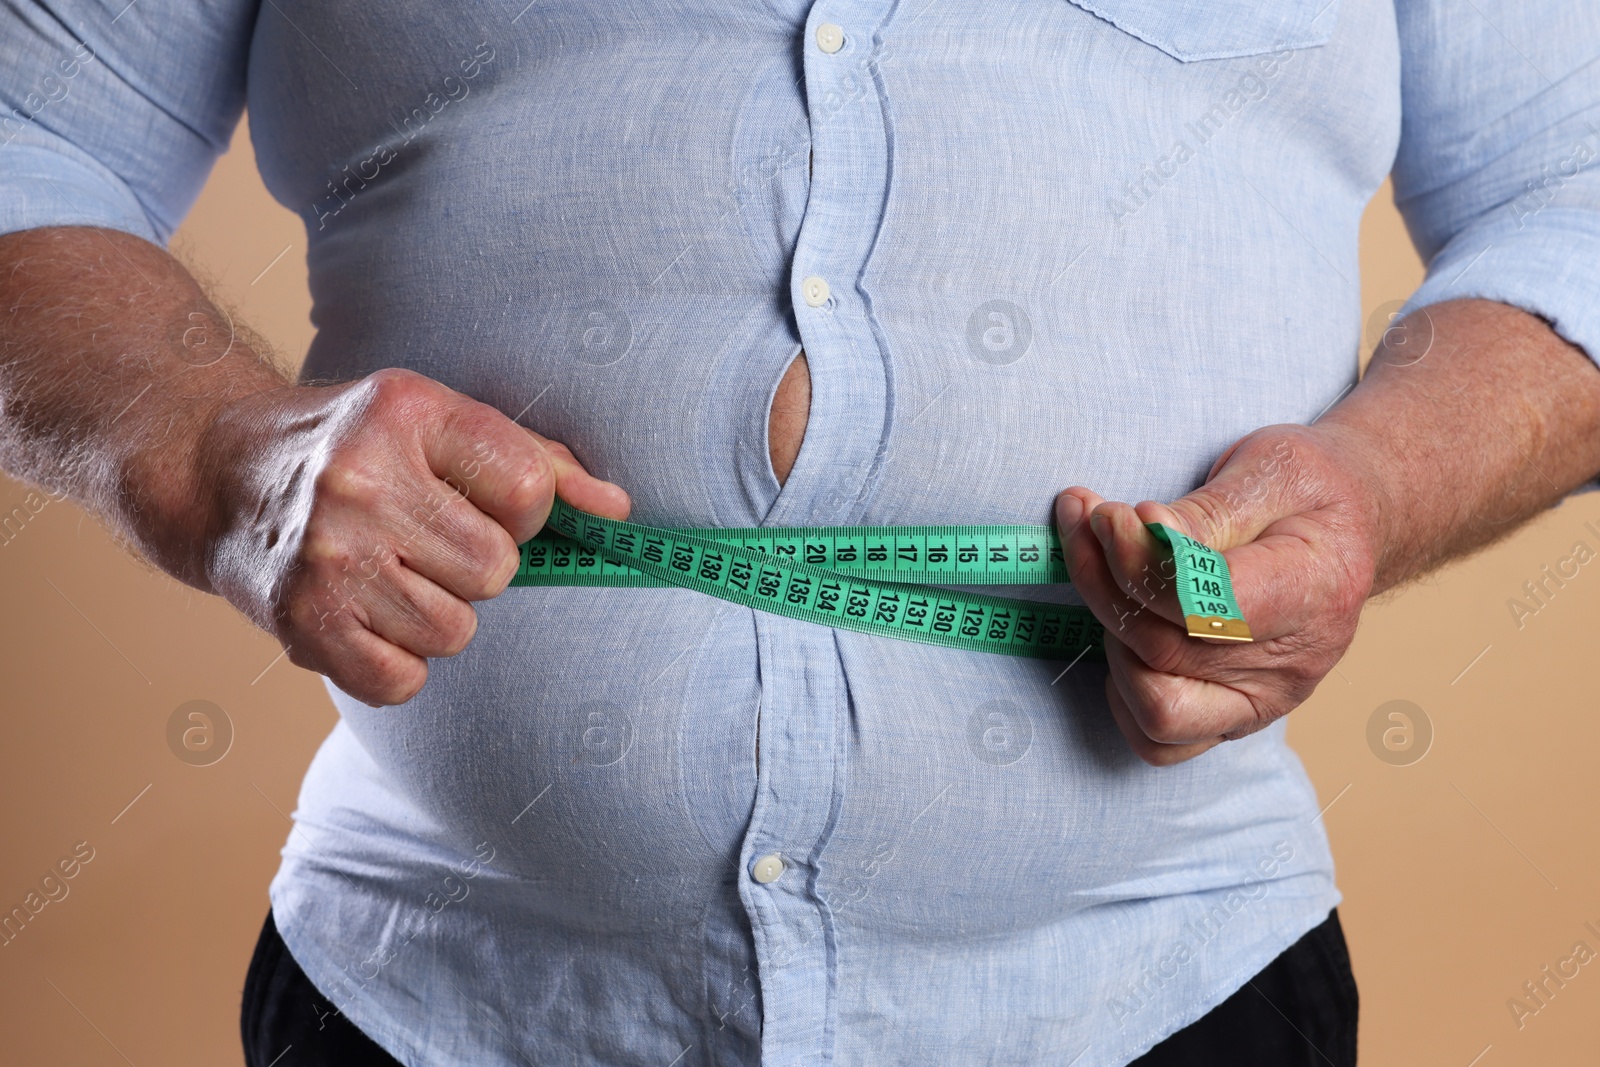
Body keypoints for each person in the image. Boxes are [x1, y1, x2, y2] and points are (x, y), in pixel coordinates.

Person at [3, 0, 1598, 1063]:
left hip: (1169, 990)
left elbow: (1576, 191)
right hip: (431, 998)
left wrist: (1373, 493)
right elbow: (29, 132)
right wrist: (219, 448)